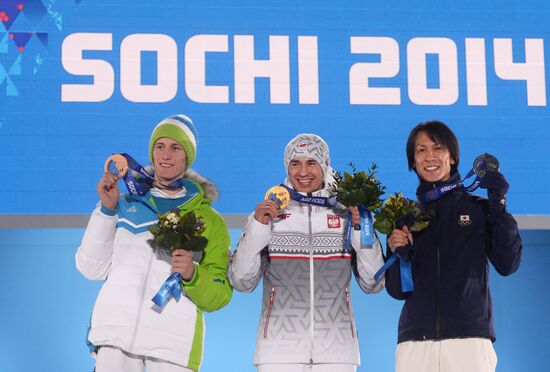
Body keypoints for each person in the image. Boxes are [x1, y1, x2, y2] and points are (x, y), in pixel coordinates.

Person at [76, 114, 232, 372]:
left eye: (175, 147)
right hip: (115, 338)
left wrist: (193, 274)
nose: (166, 155)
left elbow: (219, 295)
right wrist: (106, 210)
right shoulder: (124, 204)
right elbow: (90, 268)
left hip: (172, 348)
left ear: (187, 157)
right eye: (160, 146)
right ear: (152, 152)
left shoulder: (210, 221)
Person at [228, 133, 385, 372]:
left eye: (311, 162)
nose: (303, 172)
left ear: (325, 165)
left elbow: (374, 283)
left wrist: (358, 228)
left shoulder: (347, 212)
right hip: (277, 353)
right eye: (295, 163)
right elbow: (240, 281)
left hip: (338, 353)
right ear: (286, 167)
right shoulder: (268, 213)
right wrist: (258, 226)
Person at [385, 120, 522, 372]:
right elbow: (396, 291)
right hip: (415, 343)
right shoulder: (405, 217)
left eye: (438, 148)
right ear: (413, 161)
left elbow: (508, 263)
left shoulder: (478, 209)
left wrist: (499, 207)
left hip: (469, 341)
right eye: (421, 150)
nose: (430, 157)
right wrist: (397, 252)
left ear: (453, 157)